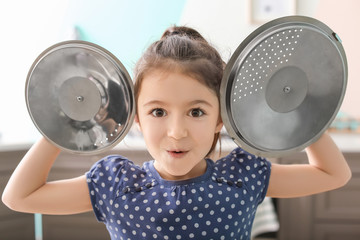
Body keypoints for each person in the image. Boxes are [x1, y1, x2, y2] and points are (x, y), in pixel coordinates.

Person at [2, 26, 351, 240]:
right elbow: (20, 197)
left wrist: (297, 109)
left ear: (222, 118)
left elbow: (333, 174)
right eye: (157, 111)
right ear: (135, 117)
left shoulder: (243, 176)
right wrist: (61, 126)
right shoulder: (115, 186)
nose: (177, 131)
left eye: (197, 111)